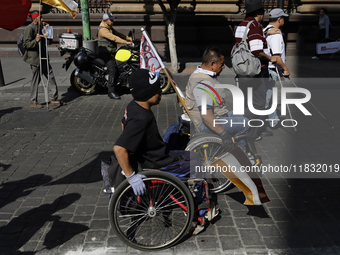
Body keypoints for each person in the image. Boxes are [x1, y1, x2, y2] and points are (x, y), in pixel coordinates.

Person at [113, 69, 201, 196]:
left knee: (195, 156)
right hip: (159, 163)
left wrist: (136, 149)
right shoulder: (141, 118)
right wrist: (131, 177)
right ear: (147, 94)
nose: (160, 92)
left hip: (158, 154)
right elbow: (119, 148)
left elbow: (123, 123)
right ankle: (199, 205)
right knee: (199, 167)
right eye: (157, 90)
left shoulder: (133, 106)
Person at [233, 0, 286, 140]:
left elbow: (245, 42)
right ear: (258, 13)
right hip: (255, 72)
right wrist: (270, 58)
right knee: (258, 103)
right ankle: (250, 134)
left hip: (242, 70)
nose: (264, 15)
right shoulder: (255, 26)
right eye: (262, 12)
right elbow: (257, 50)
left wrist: (266, 32)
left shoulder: (241, 25)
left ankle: (249, 129)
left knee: (247, 101)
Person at [184, 47, 249, 152]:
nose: (223, 67)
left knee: (240, 115)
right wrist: (224, 133)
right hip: (201, 124)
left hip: (212, 116)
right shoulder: (204, 83)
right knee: (244, 123)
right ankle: (241, 156)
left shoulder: (199, 74)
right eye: (221, 64)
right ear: (212, 64)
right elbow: (206, 115)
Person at [23, 10, 64, 108]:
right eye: (40, 18)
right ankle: (33, 101)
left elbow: (48, 41)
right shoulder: (30, 28)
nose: (42, 19)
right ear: (35, 19)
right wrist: (35, 41)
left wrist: (48, 29)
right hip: (35, 59)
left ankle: (53, 98)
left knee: (51, 76)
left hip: (44, 57)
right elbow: (26, 44)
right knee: (36, 79)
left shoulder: (41, 27)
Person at [263, 8, 290, 128]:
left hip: (265, 68)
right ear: (279, 19)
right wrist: (285, 68)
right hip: (271, 68)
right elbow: (276, 56)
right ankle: (257, 124)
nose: (284, 20)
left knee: (270, 96)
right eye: (283, 18)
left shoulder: (265, 31)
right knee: (266, 98)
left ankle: (273, 120)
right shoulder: (276, 34)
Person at [98, 13, 133, 99]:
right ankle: (111, 92)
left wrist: (128, 38)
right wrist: (126, 42)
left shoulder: (109, 27)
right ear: (106, 20)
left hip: (111, 51)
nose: (113, 21)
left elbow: (118, 34)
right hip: (105, 53)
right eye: (111, 20)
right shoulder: (103, 30)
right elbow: (114, 38)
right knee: (112, 70)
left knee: (119, 66)